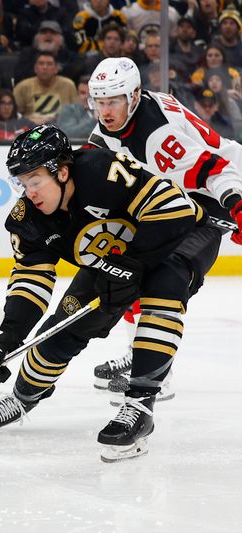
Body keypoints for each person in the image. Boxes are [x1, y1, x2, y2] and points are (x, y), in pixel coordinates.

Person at [0, 124, 214, 462]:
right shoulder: (29, 220)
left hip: (184, 233)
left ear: (63, 172)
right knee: (62, 329)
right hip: (115, 257)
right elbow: (31, 280)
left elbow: (174, 209)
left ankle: (140, 405)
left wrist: (133, 265)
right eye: (22, 183)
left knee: (163, 287)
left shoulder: (101, 171)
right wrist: (6, 338)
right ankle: (22, 398)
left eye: (36, 181)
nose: (30, 193)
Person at [86, 57, 242, 397]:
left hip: (214, 193)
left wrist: (237, 204)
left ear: (133, 96)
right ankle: (137, 354)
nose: (105, 110)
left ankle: (158, 374)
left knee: (162, 280)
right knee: (127, 264)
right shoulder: (122, 119)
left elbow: (215, 171)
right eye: (99, 101)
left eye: (112, 101)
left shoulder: (157, 137)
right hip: (181, 195)